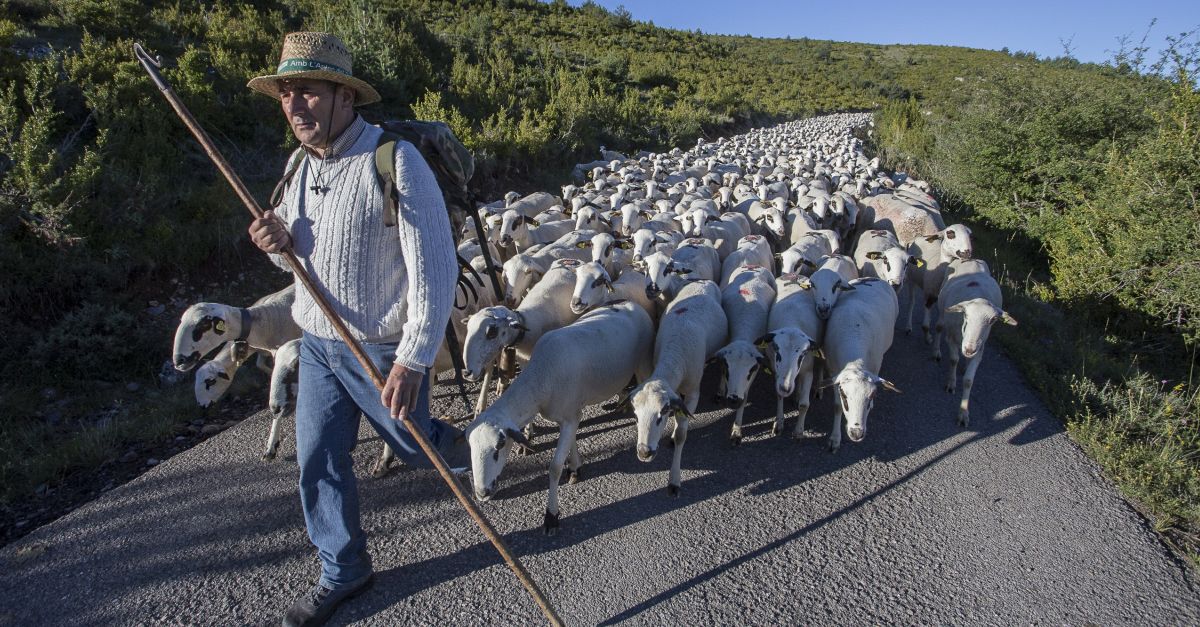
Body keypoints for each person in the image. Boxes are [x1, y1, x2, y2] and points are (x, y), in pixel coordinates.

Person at [246, 32, 464, 627]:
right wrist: (275, 244)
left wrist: (414, 358)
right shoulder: (298, 166)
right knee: (318, 458)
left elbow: (435, 269)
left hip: (381, 347)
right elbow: (295, 262)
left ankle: (467, 444)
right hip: (319, 345)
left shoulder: (394, 161)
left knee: (413, 448)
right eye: (286, 93)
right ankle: (344, 569)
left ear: (345, 97)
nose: (295, 106)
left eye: (309, 93)